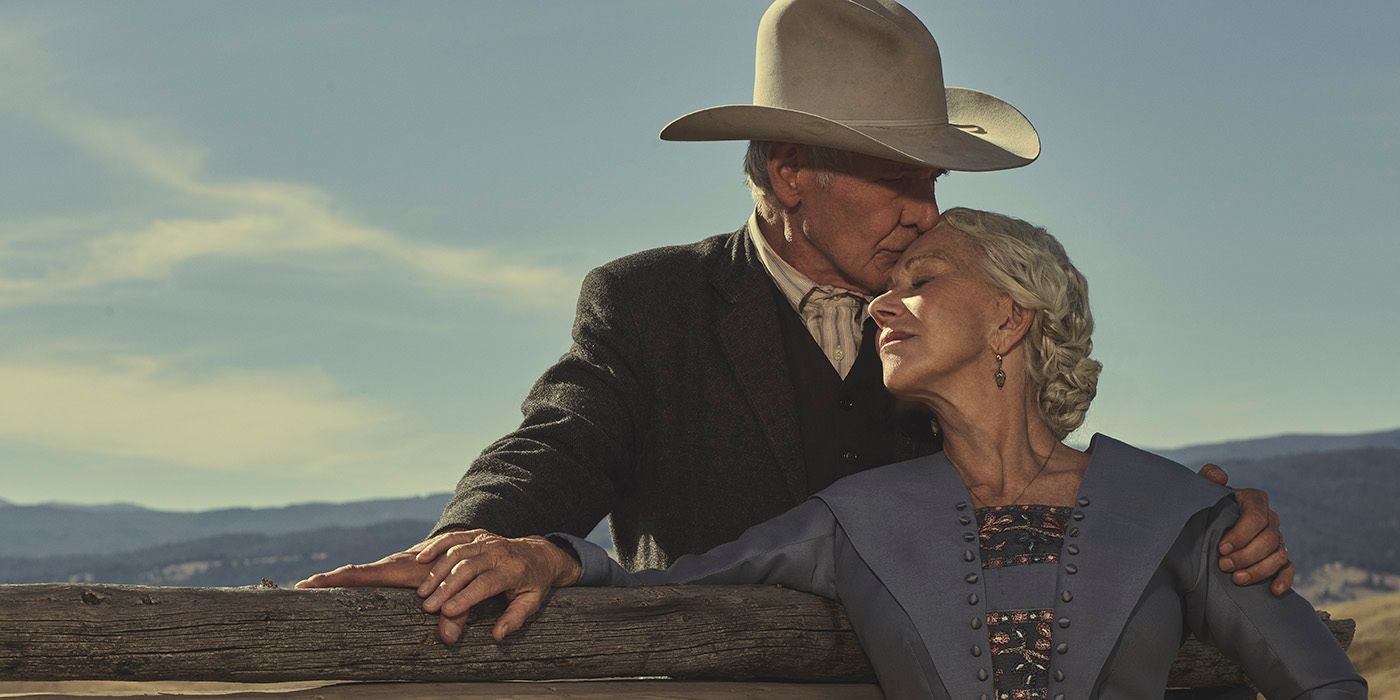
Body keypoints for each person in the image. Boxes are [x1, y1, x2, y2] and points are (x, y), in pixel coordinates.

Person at [298, 0, 1293, 637]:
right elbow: (559, 443)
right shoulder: (648, 306)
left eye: (932, 181)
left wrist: (1202, 526)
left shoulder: (947, 318)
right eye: (898, 178)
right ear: (788, 173)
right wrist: (478, 537)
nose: (924, 212)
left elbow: (1033, 477)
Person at [397, 208, 1366, 699]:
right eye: (885, 282)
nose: (879, 300)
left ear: (1007, 317)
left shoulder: (1177, 512)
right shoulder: (851, 518)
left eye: (922, 279)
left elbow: (1323, 686)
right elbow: (667, 584)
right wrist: (545, 550)